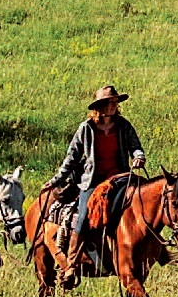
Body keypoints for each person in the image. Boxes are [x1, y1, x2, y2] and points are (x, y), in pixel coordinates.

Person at [46, 84, 146, 286]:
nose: (115, 106)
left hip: (119, 178)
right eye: (110, 102)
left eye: (116, 102)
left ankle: (153, 250)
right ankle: (72, 264)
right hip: (93, 181)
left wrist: (139, 156)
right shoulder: (86, 128)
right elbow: (72, 158)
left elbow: (135, 147)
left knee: (141, 206)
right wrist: (56, 180)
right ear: (100, 106)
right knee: (84, 216)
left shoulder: (123, 125)